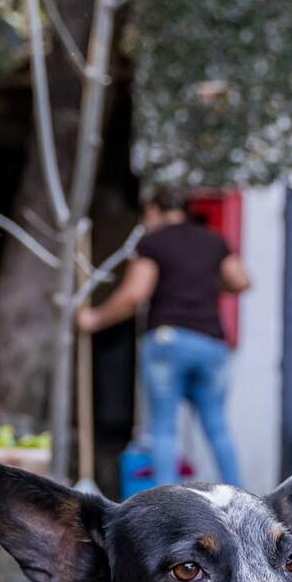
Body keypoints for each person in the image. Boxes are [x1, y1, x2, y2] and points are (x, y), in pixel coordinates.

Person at [77, 190, 250, 489]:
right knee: (217, 427)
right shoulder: (212, 240)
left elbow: (134, 295)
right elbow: (241, 281)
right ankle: (247, 498)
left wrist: (95, 318)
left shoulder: (154, 242)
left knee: (164, 429)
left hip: (169, 342)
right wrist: (204, 281)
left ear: (154, 211)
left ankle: (167, 508)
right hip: (211, 344)